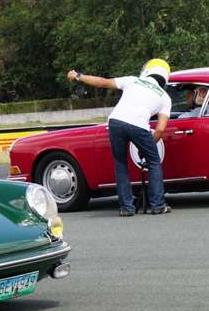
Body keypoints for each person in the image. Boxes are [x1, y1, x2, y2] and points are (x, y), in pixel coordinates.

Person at [67, 58, 173, 216]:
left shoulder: (132, 80)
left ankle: (127, 208)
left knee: (121, 164)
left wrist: (78, 76)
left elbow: (103, 82)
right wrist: (148, 145)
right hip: (139, 125)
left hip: (116, 122)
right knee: (153, 162)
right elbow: (160, 129)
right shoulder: (165, 97)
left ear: (147, 70)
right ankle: (157, 205)